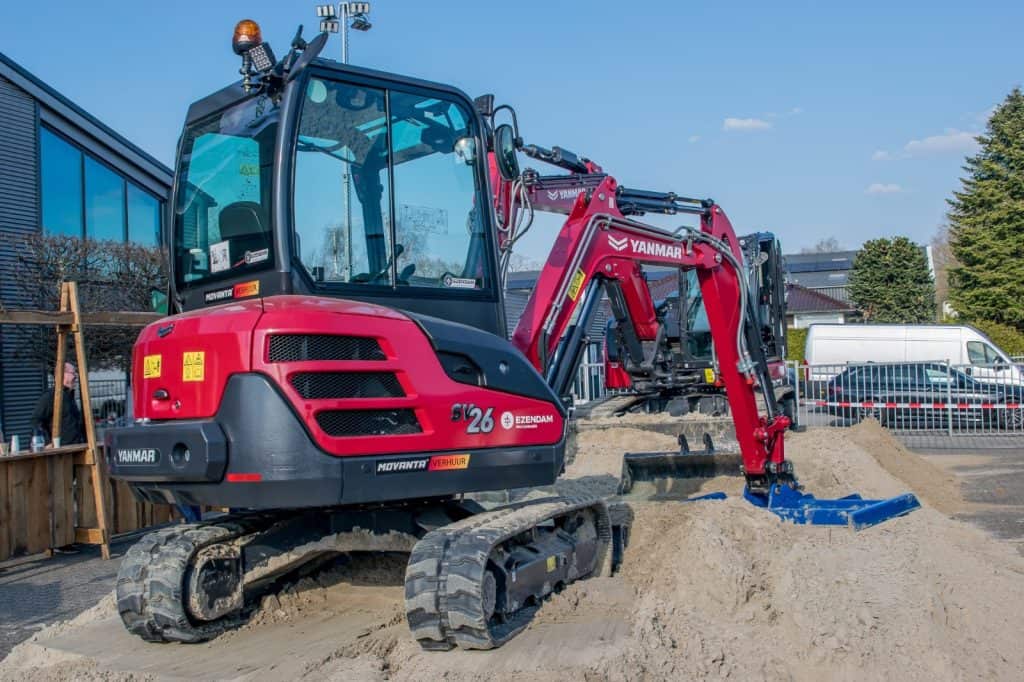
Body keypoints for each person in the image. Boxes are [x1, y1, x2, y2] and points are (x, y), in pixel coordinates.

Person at [31, 362, 86, 446]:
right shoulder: (50, 396)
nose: (75, 376)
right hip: (61, 449)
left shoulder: (69, 396)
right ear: (62, 374)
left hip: (76, 447)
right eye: (73, 373)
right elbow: (36, 420)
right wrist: (47, 442)